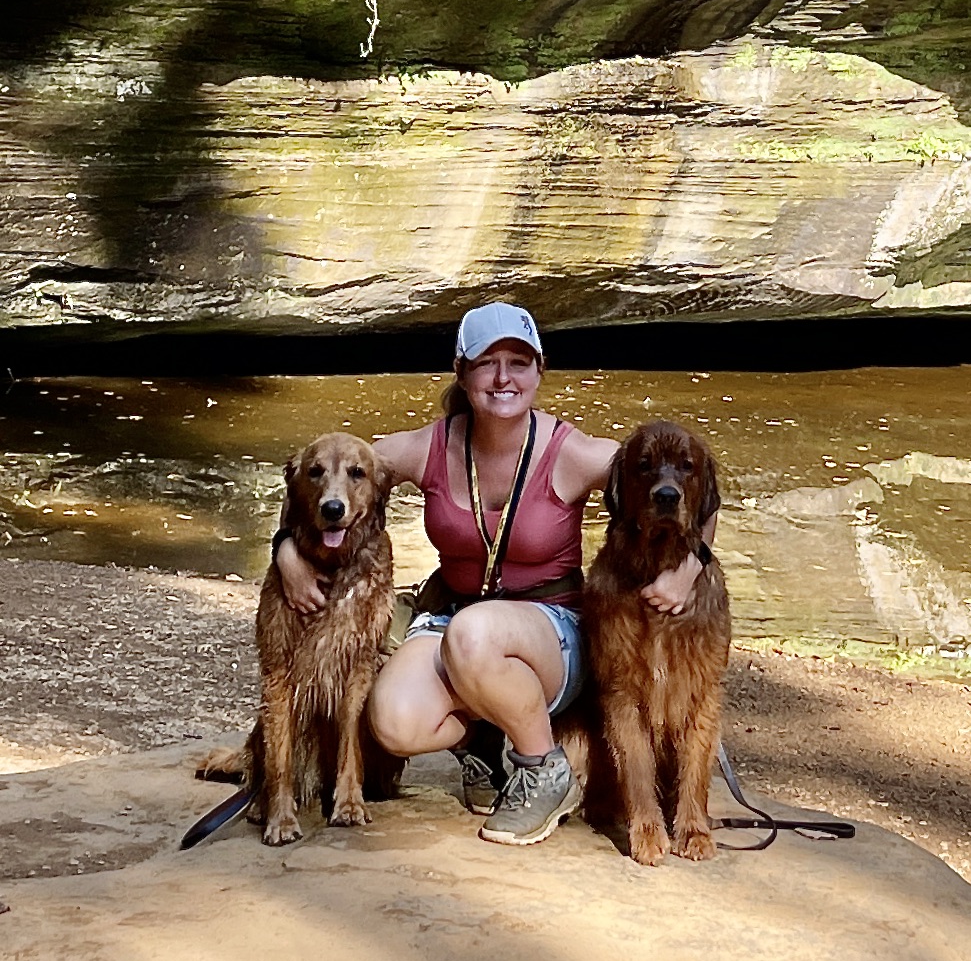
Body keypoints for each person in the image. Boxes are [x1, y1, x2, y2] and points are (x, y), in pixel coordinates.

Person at [276, 302, 714, 846]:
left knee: (475, 633)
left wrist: (690, 570)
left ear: (539, 371)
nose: (503, 378)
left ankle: (542, 769)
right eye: (487, 363)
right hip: (453, 618)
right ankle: (484, 744)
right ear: (462, 372)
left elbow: (688, 485)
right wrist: (286, 552)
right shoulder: (426, 446)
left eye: (519, 362)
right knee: (392, 719)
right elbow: (321, 471)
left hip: (550, 628)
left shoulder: (574, 453)